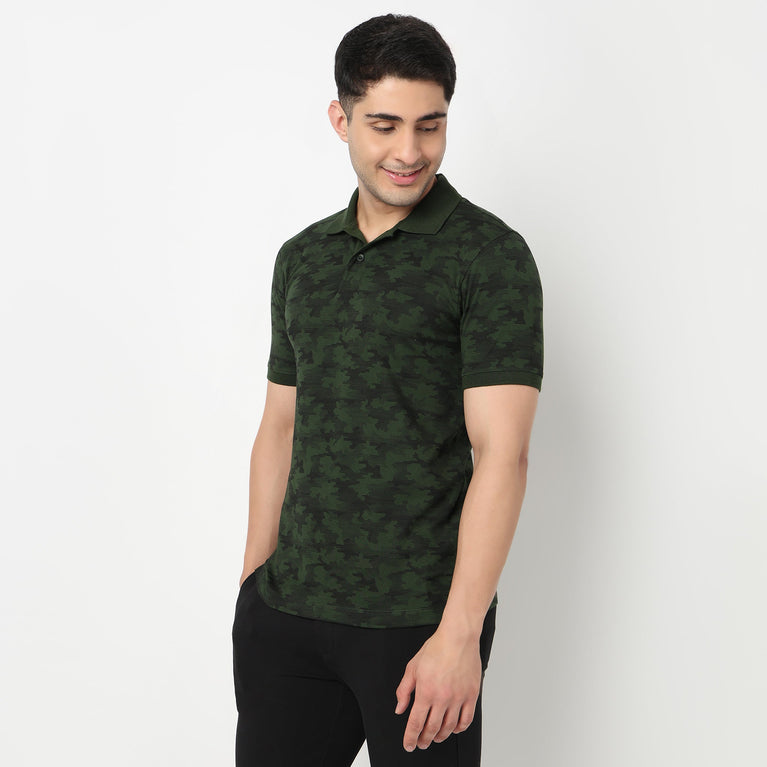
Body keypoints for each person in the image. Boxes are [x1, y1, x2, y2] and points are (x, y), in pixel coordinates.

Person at [232, 13, 543, 766]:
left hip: (419, 628)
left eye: (430, 125)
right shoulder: (302, 258)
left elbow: (501, 452)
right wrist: (252, 588)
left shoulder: (488, 257)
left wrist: (459, 635)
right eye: (384, 125)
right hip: (288, 620)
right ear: (340, 120)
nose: (409, 151)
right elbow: (280, 427)